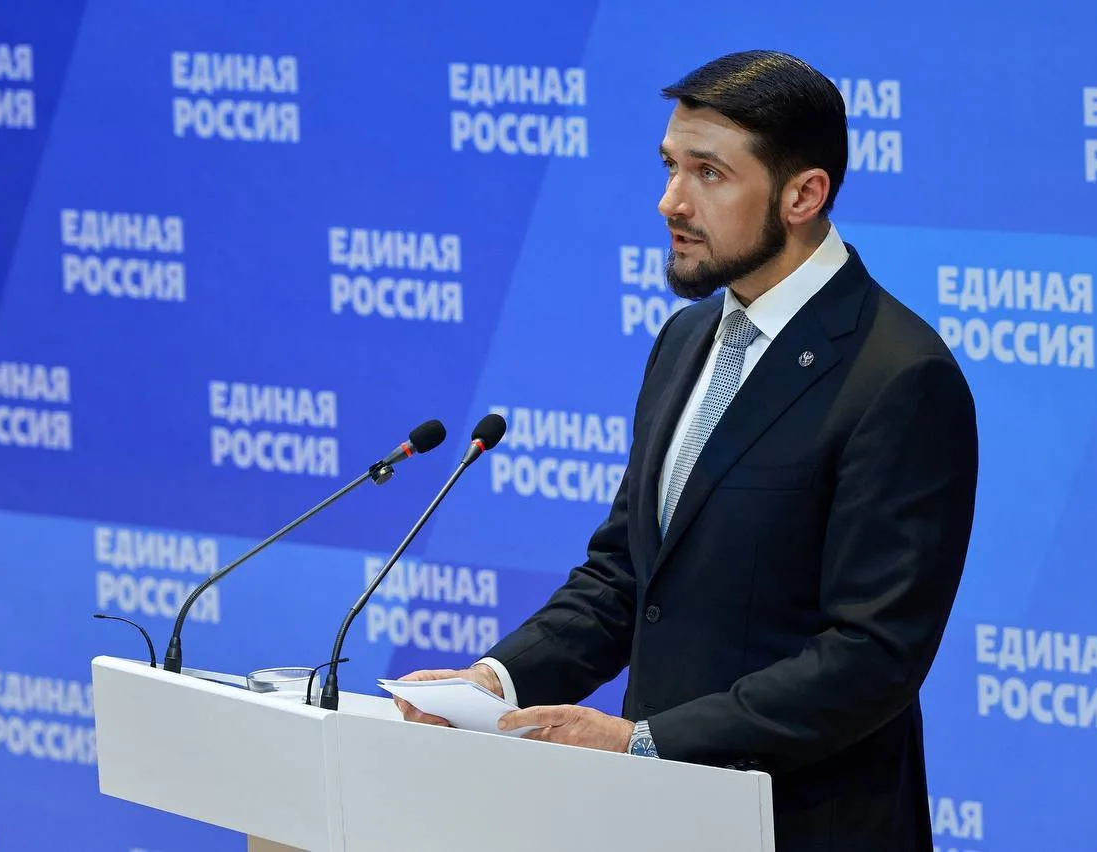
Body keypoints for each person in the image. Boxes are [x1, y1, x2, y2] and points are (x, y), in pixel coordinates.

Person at [394, 49, 979, 851]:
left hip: (804, 826)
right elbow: (625, 578)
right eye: (671, 166)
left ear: (804, 195)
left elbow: (871, 657)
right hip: (657, 820)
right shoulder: (687, 339)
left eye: (709, 173)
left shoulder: (900, 376)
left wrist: (646, 742)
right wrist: (496, 680)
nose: (670, 200)